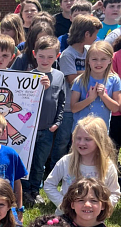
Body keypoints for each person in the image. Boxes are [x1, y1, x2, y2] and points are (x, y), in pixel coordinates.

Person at [51, 14, 102, 170]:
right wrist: (91, 71)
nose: (96, 38)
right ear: (86, 34)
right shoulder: (68, 54)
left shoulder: (88, 51)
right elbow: (72, 78)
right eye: (94, 34)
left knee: (80, 139)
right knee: (63, 140)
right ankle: (56, 169)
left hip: (84, 103)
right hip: (68, 106)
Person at [45, 116, 121, 214]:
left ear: (99, 141)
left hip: (93, 220)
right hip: (66, 217)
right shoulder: (66, 161)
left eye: (87, 139)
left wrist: (101, 208)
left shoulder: (108, 166)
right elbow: (49, 184)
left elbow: (115, 192)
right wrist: (64, 204)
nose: (81, 143)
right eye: (78, 138)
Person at [22, 36, 65, 206]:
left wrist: (58, 122)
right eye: (41, 56)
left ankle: (35, 190)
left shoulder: (60, 76)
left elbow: (62, 101)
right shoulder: (29, 77)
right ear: (34, 54)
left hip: (48, 129)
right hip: (29, 129)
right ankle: (25, 190)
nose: (45, 60)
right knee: (27, 161)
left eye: (50, 56)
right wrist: (39, 89)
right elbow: (24, 103)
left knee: (40, 162)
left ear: (57, 56)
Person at [71, 41, 121, 130]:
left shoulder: (114, 80)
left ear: (110, 60)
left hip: (101, 132)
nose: (98, 63)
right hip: (81, 131)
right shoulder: (80, 80)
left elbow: (116, 108)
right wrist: (90, 98)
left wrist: (104, 95)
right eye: (94, 59)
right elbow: (73, 108)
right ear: (88, 60)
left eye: (103, 59)